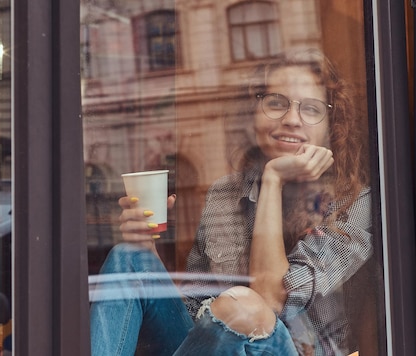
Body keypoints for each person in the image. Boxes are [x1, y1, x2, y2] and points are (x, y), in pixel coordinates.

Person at [89, 48, 373, 356]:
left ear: (330, 124)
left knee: (244, 306)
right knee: (129, 259)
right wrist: (148, 250)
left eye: (312, 109)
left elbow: (270, 301)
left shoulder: (354, 202)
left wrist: (273, 179)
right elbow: (195, 313)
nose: (292, 119)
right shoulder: (224, 194)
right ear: (252, 113)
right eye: (276, 103)